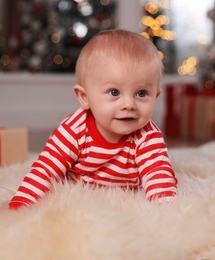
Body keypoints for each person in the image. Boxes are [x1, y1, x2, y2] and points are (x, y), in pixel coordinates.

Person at [9, 29, 178, 210]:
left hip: (125, 199)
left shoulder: (147, 135)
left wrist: (166, 212)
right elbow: (46, 169)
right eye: (114, 92)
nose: (129, 104)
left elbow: (159, 177)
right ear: (84, 97)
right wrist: (21, 205)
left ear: (156, 96)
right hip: (82, 194)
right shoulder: (73, 131)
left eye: (142, 93)